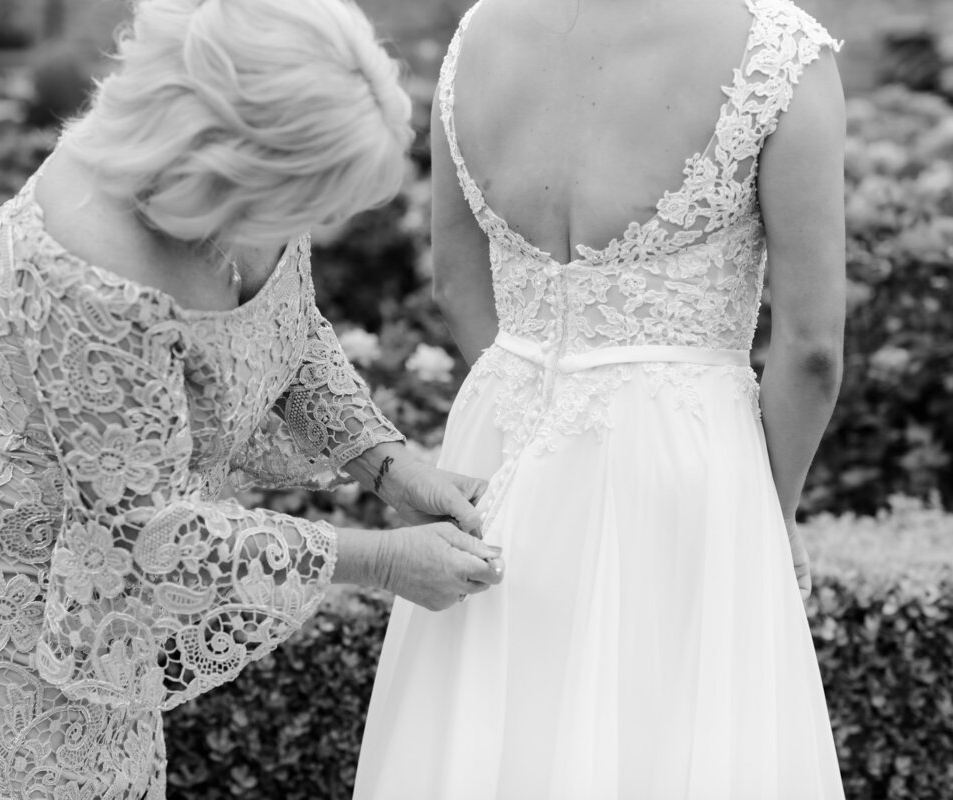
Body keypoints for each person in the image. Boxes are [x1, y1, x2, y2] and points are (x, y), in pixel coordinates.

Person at [0, 1, 504, 798]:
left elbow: (286, 327)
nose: (324, 227)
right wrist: (379, 560)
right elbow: (149, 527)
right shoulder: (86, 270)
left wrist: (387, 464)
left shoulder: (235, 177)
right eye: (314, 206)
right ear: (231, 159)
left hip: (97, 596)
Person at [356, 0, 847, 796]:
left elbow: (454, 280)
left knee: (493, 739)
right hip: (685, 466)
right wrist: (772, 510)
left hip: (498, 449)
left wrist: (549, 420)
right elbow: (813, 350)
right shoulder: (778, 50)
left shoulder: (481, 29)